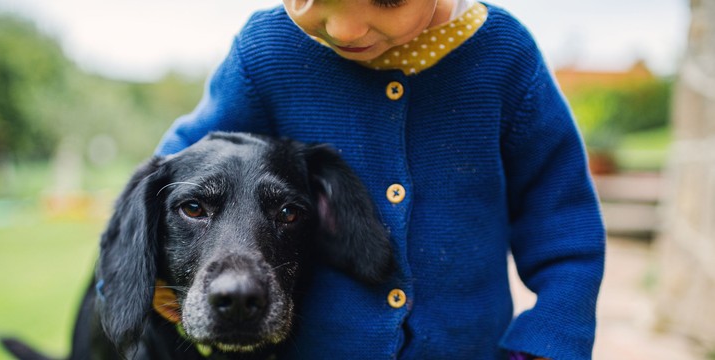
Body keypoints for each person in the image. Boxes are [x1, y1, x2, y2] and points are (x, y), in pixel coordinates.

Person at [155, 0, 605, 359]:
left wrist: (554, 330)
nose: (347, 28)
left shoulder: (505, 60)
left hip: (466, 349)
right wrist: (148, 275)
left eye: (388, 0)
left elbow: (561, 215)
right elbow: (174, 173)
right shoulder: (268, 53)